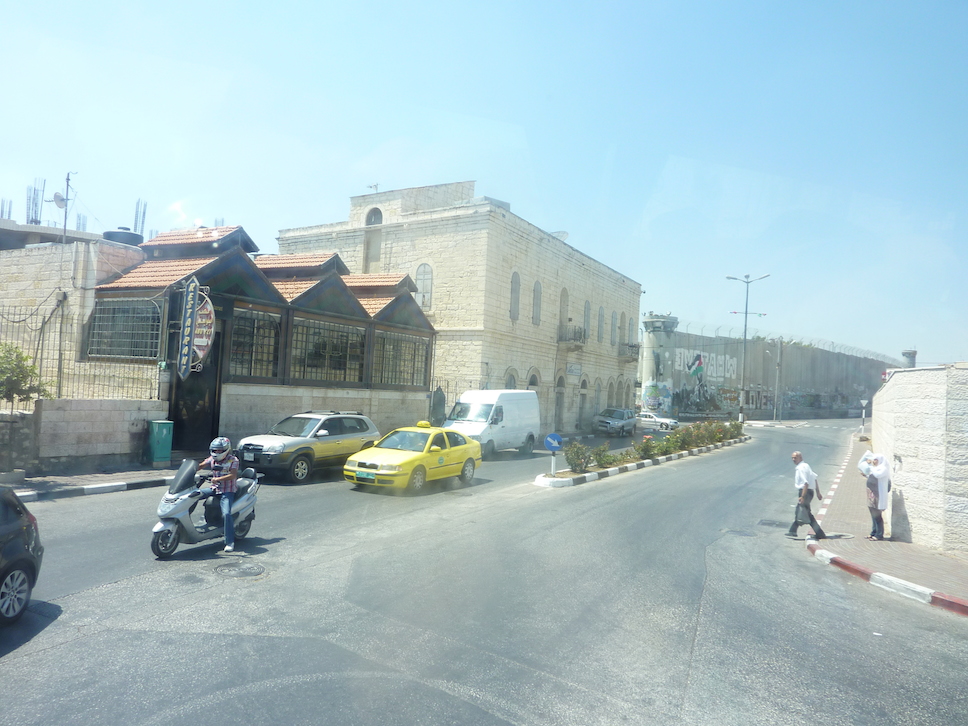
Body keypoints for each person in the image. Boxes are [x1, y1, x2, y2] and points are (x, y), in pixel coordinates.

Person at [195, 436, 240, 552]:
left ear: (226, 450)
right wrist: (191, 469)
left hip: (227, 490)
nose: (217, 452)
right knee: (192, 495)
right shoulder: (212, 458)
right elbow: (202, 465)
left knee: (226, 514)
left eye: (220, 450)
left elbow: (233, 475)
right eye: (215, 450)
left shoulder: (233, 460)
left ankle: (230, 542)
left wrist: (218, 479)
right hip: (214, 488)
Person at [786, 451, 826, 539]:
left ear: (800, 458)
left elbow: (806, 483)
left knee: (806, 513)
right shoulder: (806, 465)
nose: (793, 459)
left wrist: (802, 496)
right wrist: (818, 492)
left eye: (795, 458)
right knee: (800, 511)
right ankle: (793, 531)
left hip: (805, 492)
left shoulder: (800, 468)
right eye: (792, 458)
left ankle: (820, 533)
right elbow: (814, 478)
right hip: (809, 492)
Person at [864, 453, 891, 540]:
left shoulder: (883, 469)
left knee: (877, 515)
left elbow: (877, 475)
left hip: (878, 495)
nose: (874, 461)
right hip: (871, 494)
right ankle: (873, 532)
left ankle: (879, 534)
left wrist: (871, 467)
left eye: (875, 460)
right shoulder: (876, 468)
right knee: (873, 514)